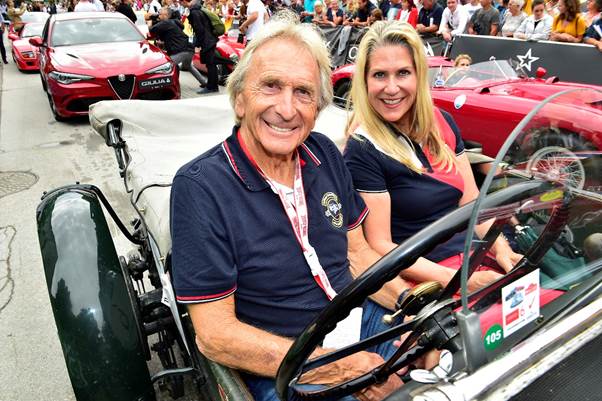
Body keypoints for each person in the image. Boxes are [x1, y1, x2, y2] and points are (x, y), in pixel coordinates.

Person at [171, 19, 413, 401]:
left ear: (317, 108)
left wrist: (410, 306)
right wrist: (342, 368)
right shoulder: (200, 187)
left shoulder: (325, 153)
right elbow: (215, 336)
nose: (286, 109)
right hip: (284, 359)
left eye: (303, 92)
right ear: (239, 98)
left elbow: (358, 253)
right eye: (270, 86)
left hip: (360, 322)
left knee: (453, 358)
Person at [343, 21, 519, 291]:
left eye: (402, 73)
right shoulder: (364, 148)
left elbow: (471, 201)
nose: (391, 88)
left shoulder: (442, 122)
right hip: (428, 276)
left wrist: (501, 249)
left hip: (473, 255)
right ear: (364, 80)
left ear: (418, 75)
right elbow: (380, 244)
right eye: (379, 75)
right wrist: (463, 281)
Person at [150, 7, 208, 87]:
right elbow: (167, 36)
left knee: (168, 65)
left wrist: (150, 22)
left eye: (160, 14)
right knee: (188, 66)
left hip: (181, 51)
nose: (158, 16)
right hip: (189, 49)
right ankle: (204, 82)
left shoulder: (166, 23)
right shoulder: (174, 22)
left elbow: (152, 30)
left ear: (166, 15)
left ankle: (173, 85)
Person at [181, 0, 219, 93]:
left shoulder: (194, 12)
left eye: (182, 2)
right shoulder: (198, 9)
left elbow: (199, 30)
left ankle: (211, 87)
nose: (181, 4)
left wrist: (198, 44)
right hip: (210, 39)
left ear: (185, 1)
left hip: (207, 41)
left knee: (210, 64)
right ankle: (213, 86)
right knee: (211, 64)